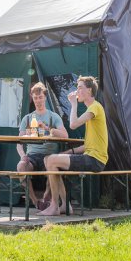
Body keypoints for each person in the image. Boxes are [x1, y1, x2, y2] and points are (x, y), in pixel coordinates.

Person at [39, 75, 107, 217]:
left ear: (89, 90)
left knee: (51, 160)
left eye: (80, 88)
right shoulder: (93, 109)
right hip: (91, 156)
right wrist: (70, 151)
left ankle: (54, 206)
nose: (77, 91)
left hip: (96, 160)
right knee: (48, 160)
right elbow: (88, 145)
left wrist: (73, 104)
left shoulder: (95, 107)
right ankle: (64, 206)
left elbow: (73, 124)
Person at [16, 82, 68, 209]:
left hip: (49, 154)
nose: (38, 101)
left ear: (45, 97)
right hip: (31, 155)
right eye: (35, 98)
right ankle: (35, 201)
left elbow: (65, 135)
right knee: (21, 166)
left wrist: (48, 128)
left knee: (53, 166)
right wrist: (23, 156)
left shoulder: (53, 116)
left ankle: (47, 196)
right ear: (32, 98)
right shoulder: (27, 119)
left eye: (40, 97)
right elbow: (18, 142)